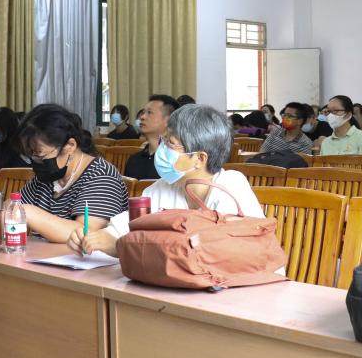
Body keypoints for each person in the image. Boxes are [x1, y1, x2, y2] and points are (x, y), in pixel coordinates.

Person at [63, 104, 265, 257]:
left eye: (171, 143)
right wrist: (94, 238)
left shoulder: (231, 185)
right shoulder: (161, 188)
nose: (162, 148)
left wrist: (121, 246)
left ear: (199, 158)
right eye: (164, 139)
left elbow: (215, 253)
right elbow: (123, 229)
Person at [0, 104, 127, 243]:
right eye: (31, 154)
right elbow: (6, 211)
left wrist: (29, 213)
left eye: (40, 154)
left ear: (70, 145)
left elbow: (84, 232)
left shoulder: (101, 176)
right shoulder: (48, 177)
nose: (36, 161)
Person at [124, 95, 179, 180]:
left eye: (149, 112)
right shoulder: (134, 160)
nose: (142, 117)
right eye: (143, 112)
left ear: (168, 121)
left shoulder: (177, 161)